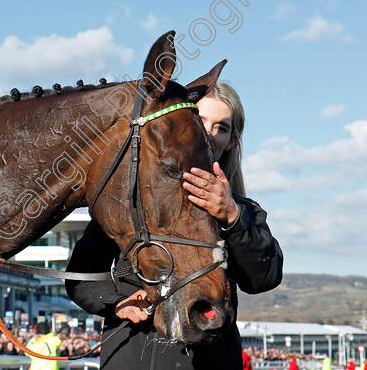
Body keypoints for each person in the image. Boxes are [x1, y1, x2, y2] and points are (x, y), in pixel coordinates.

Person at [65, 82, 284, 369]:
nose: (208, 133)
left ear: (231, 141)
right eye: (199, 120)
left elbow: (264, 278)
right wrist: (117, 303)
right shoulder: (131, 201)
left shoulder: (245, 212)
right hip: (129, 357)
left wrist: (230, 215)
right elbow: (80, 277)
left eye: (223, 127)